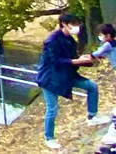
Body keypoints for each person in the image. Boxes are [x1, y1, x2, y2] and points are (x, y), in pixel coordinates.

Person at [38, 12, 104, 149]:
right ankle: (49, 138)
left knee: (91, 86)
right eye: (73, 24)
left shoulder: (70, 40)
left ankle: (92, 116)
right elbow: (56, 61)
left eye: (77, 24)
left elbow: (73, 58)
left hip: (66, 75)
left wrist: (85, 59)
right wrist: (77, 60)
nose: (76, 27)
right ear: (64, 24)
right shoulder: (52, 41)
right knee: (52, 109)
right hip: (50, 78)